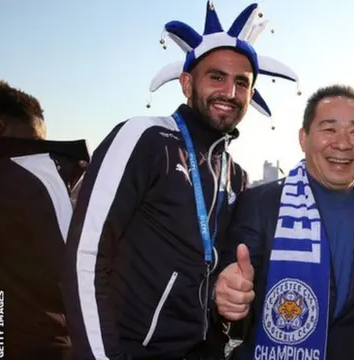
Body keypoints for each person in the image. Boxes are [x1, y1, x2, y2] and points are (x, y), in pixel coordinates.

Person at [61, 2, 299, 359]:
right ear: (187, 83)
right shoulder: (146, 138)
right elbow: (84, 257)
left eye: (242, 83)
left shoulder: (235, 175)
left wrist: (231, 293)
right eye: (216, 77)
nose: (229, 92)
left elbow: (214, 268)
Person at [215, 85, 354, 360]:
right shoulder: (259, 203)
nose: (343, 143)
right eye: (329, 129)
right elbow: (228, 278)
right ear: (304, 138)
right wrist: (227, 292)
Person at [0, 80, 89, 359]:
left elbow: (67, 273)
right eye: (37, 139)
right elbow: (70, 274)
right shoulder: (37, 171)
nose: (40, 150)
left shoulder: (33, 170)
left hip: (36, 342)